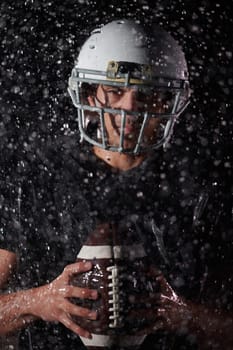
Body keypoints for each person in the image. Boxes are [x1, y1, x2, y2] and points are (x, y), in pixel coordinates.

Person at [0, 19, 232, 350]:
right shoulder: (39, 179)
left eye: (147, 94)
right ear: (91, 94)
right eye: (115, 90)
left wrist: (184, 315)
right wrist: (39, 301)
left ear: (170, 101)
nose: (129, 108)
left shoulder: (204, 190)